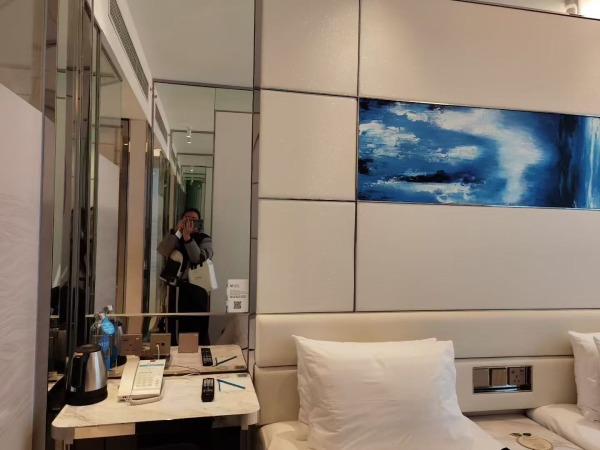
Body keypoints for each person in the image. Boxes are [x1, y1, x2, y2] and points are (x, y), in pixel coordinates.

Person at [157, 207, 213, 345]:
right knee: (174, 323)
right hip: (175, 289)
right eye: (187, 219)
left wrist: (187, 238)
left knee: (196, 325)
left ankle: (197, 350)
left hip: (197, 289)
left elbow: (197, 258)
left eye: (194, 220)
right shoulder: (176, 237)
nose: (190, 222)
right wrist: (177, 231)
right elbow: (163, 250)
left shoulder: (204, 239)